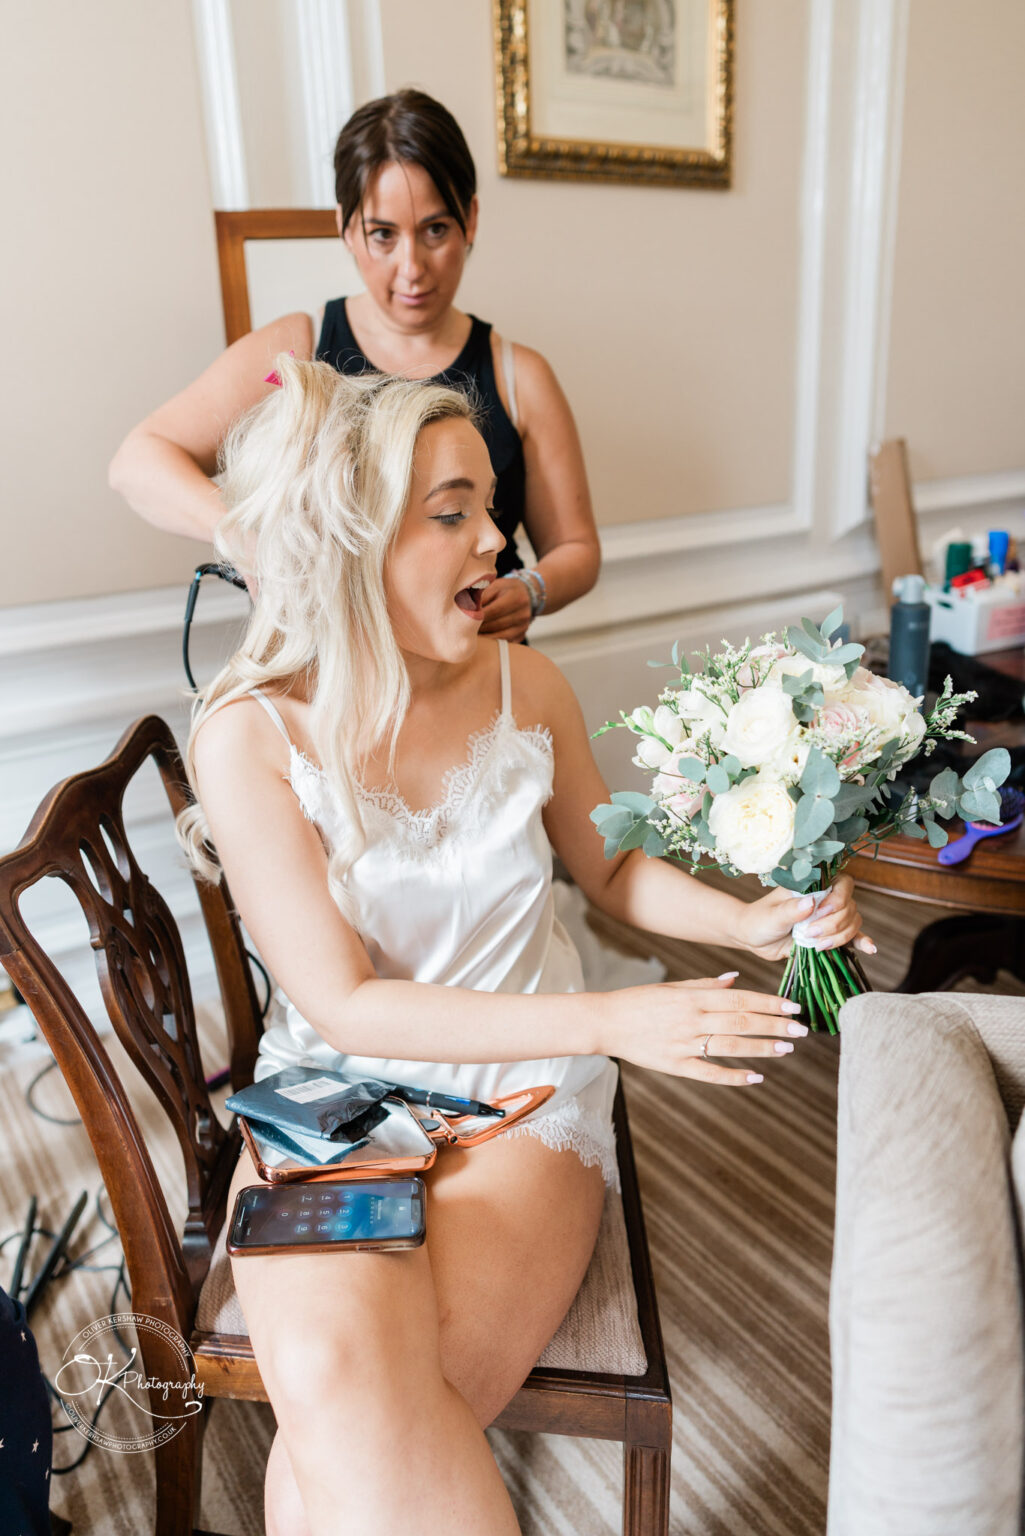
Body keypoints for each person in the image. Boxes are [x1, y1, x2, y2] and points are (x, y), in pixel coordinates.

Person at [182, 356, 871, 1535]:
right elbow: (347, 1006)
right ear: (354, 538)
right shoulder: (249, 738)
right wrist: (616, 1019)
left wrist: (745, 920)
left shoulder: (529, 687)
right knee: (353, 1410)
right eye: (454, 513)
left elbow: (605, 872)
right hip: (330, 1102)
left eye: (487, 506)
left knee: (345, 1451)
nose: (500, 539)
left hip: (526, 1100)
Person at [110, 89, 599, 643]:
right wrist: (248, 534)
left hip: (483, 674)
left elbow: (577, 550)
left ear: (472, 218)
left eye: (436, 230)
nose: (411, 268)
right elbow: (137, 463)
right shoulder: (295, 348)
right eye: (383, 235)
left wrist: (532, 589)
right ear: (347, 227)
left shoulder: (520, 376)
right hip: (333, 684)